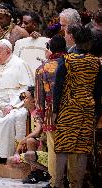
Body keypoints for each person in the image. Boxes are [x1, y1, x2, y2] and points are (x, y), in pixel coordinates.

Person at [53, 24, 101, 188]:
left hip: (68, 108)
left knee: (62, 147)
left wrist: (55, 111)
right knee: (82, 148)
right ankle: (77, 185)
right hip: (87, 109)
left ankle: (59, 183)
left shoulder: (66, 61)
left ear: (75, 40)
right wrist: (97, 113)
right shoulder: (95, 63)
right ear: (89, 42)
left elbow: (58, 88)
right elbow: (98, 91)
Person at [33, 34, 67, 188]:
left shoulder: (42, 69)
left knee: (54, 149)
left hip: (50, 113)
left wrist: (40, 116)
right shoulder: (70, 63)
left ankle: (55, 182)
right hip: (72, 111)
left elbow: (39, 98)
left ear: (50, 49)